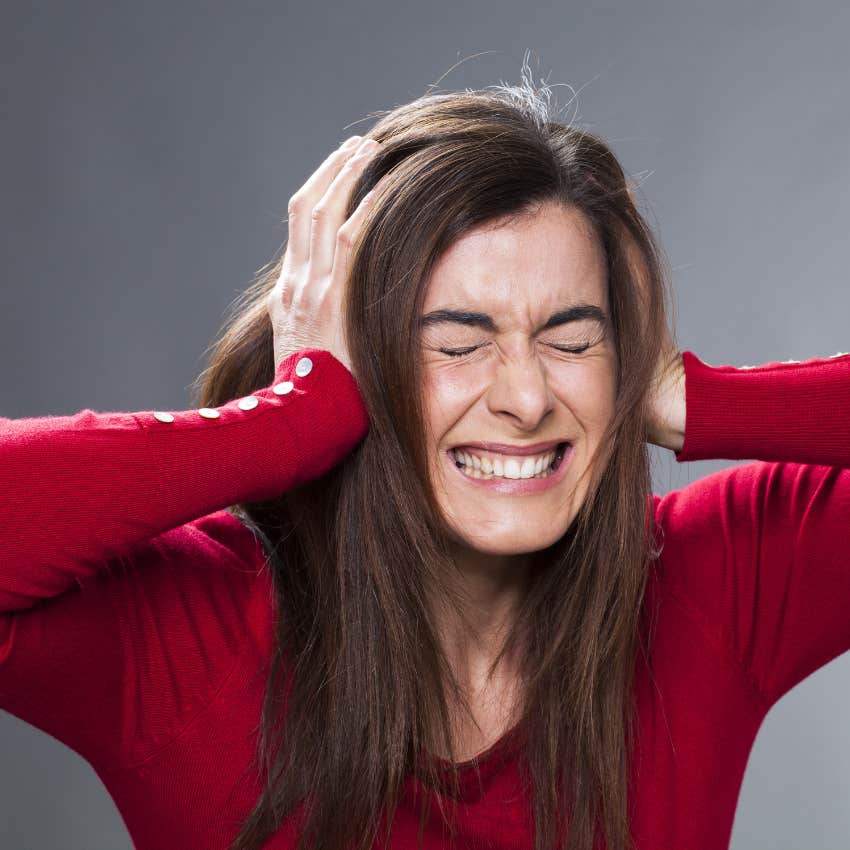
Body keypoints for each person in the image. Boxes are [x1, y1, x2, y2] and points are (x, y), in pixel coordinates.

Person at [1, 75, 849, 850]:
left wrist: (685, 394)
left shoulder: (715, 584)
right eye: (455, 342)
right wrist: (295, 417)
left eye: (572, 337)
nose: (525, 398)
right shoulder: (190, 641)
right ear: (360, 361)